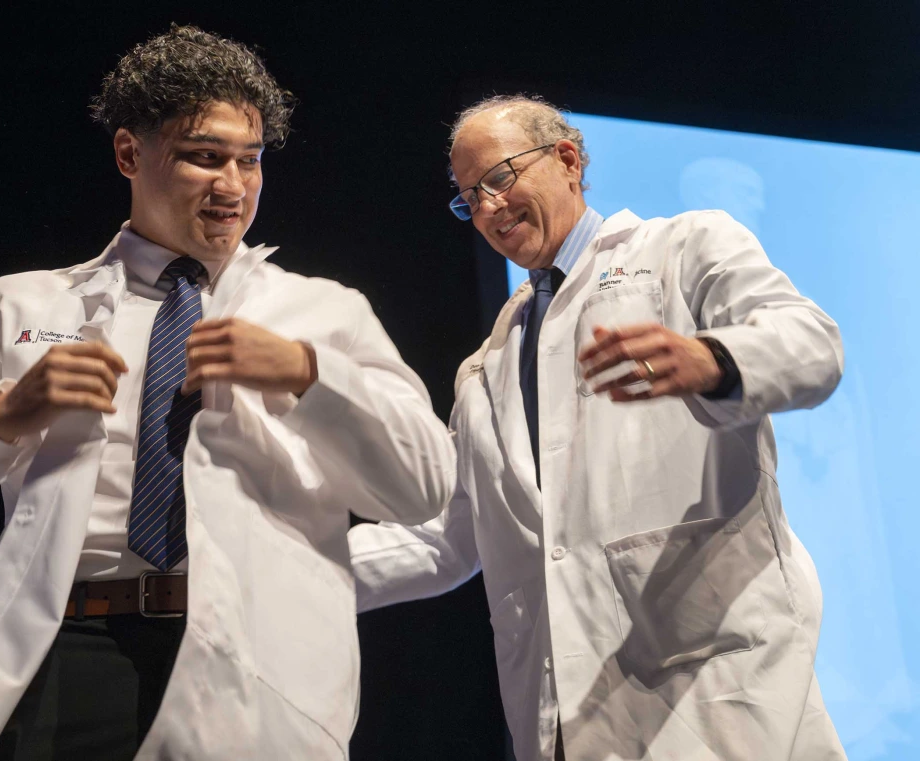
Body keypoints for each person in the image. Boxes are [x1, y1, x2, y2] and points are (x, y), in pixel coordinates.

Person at [0, 25, 455, 761]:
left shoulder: (326, 313)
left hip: (255, 656)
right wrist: (5, 411)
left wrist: (307, 372)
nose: (233, 186)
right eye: (205, 157)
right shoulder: (28, 305)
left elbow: (425, 487)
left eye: (250, 161)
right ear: (131, 153)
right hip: (68, 655)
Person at [349, 95, 847, 761]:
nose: (489, 209)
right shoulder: (487, 364)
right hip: (569, 716)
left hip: (716, 688)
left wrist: (713, 359)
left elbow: (813, 345)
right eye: (470, 198)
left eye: (500, 177)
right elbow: (450, 534)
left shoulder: (684, 248)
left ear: (567, 160)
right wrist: (296, 568)